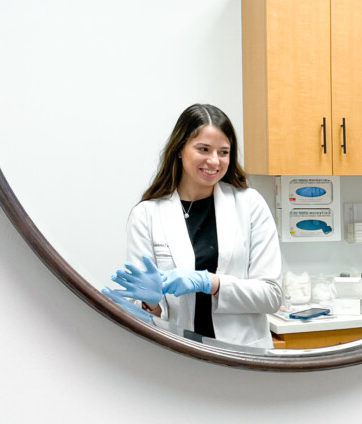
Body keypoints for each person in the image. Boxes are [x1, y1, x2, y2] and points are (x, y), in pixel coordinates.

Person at [104, 103, 283, 349]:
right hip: (178, 354)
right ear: (179, 149)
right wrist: (151, 303)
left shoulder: (250, 204)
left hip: (244, 352)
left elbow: (271, 296)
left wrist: (210, 282)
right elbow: (145, 315)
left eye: (223, 152)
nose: (214, 161)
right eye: (203, 149)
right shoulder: (147, 214)